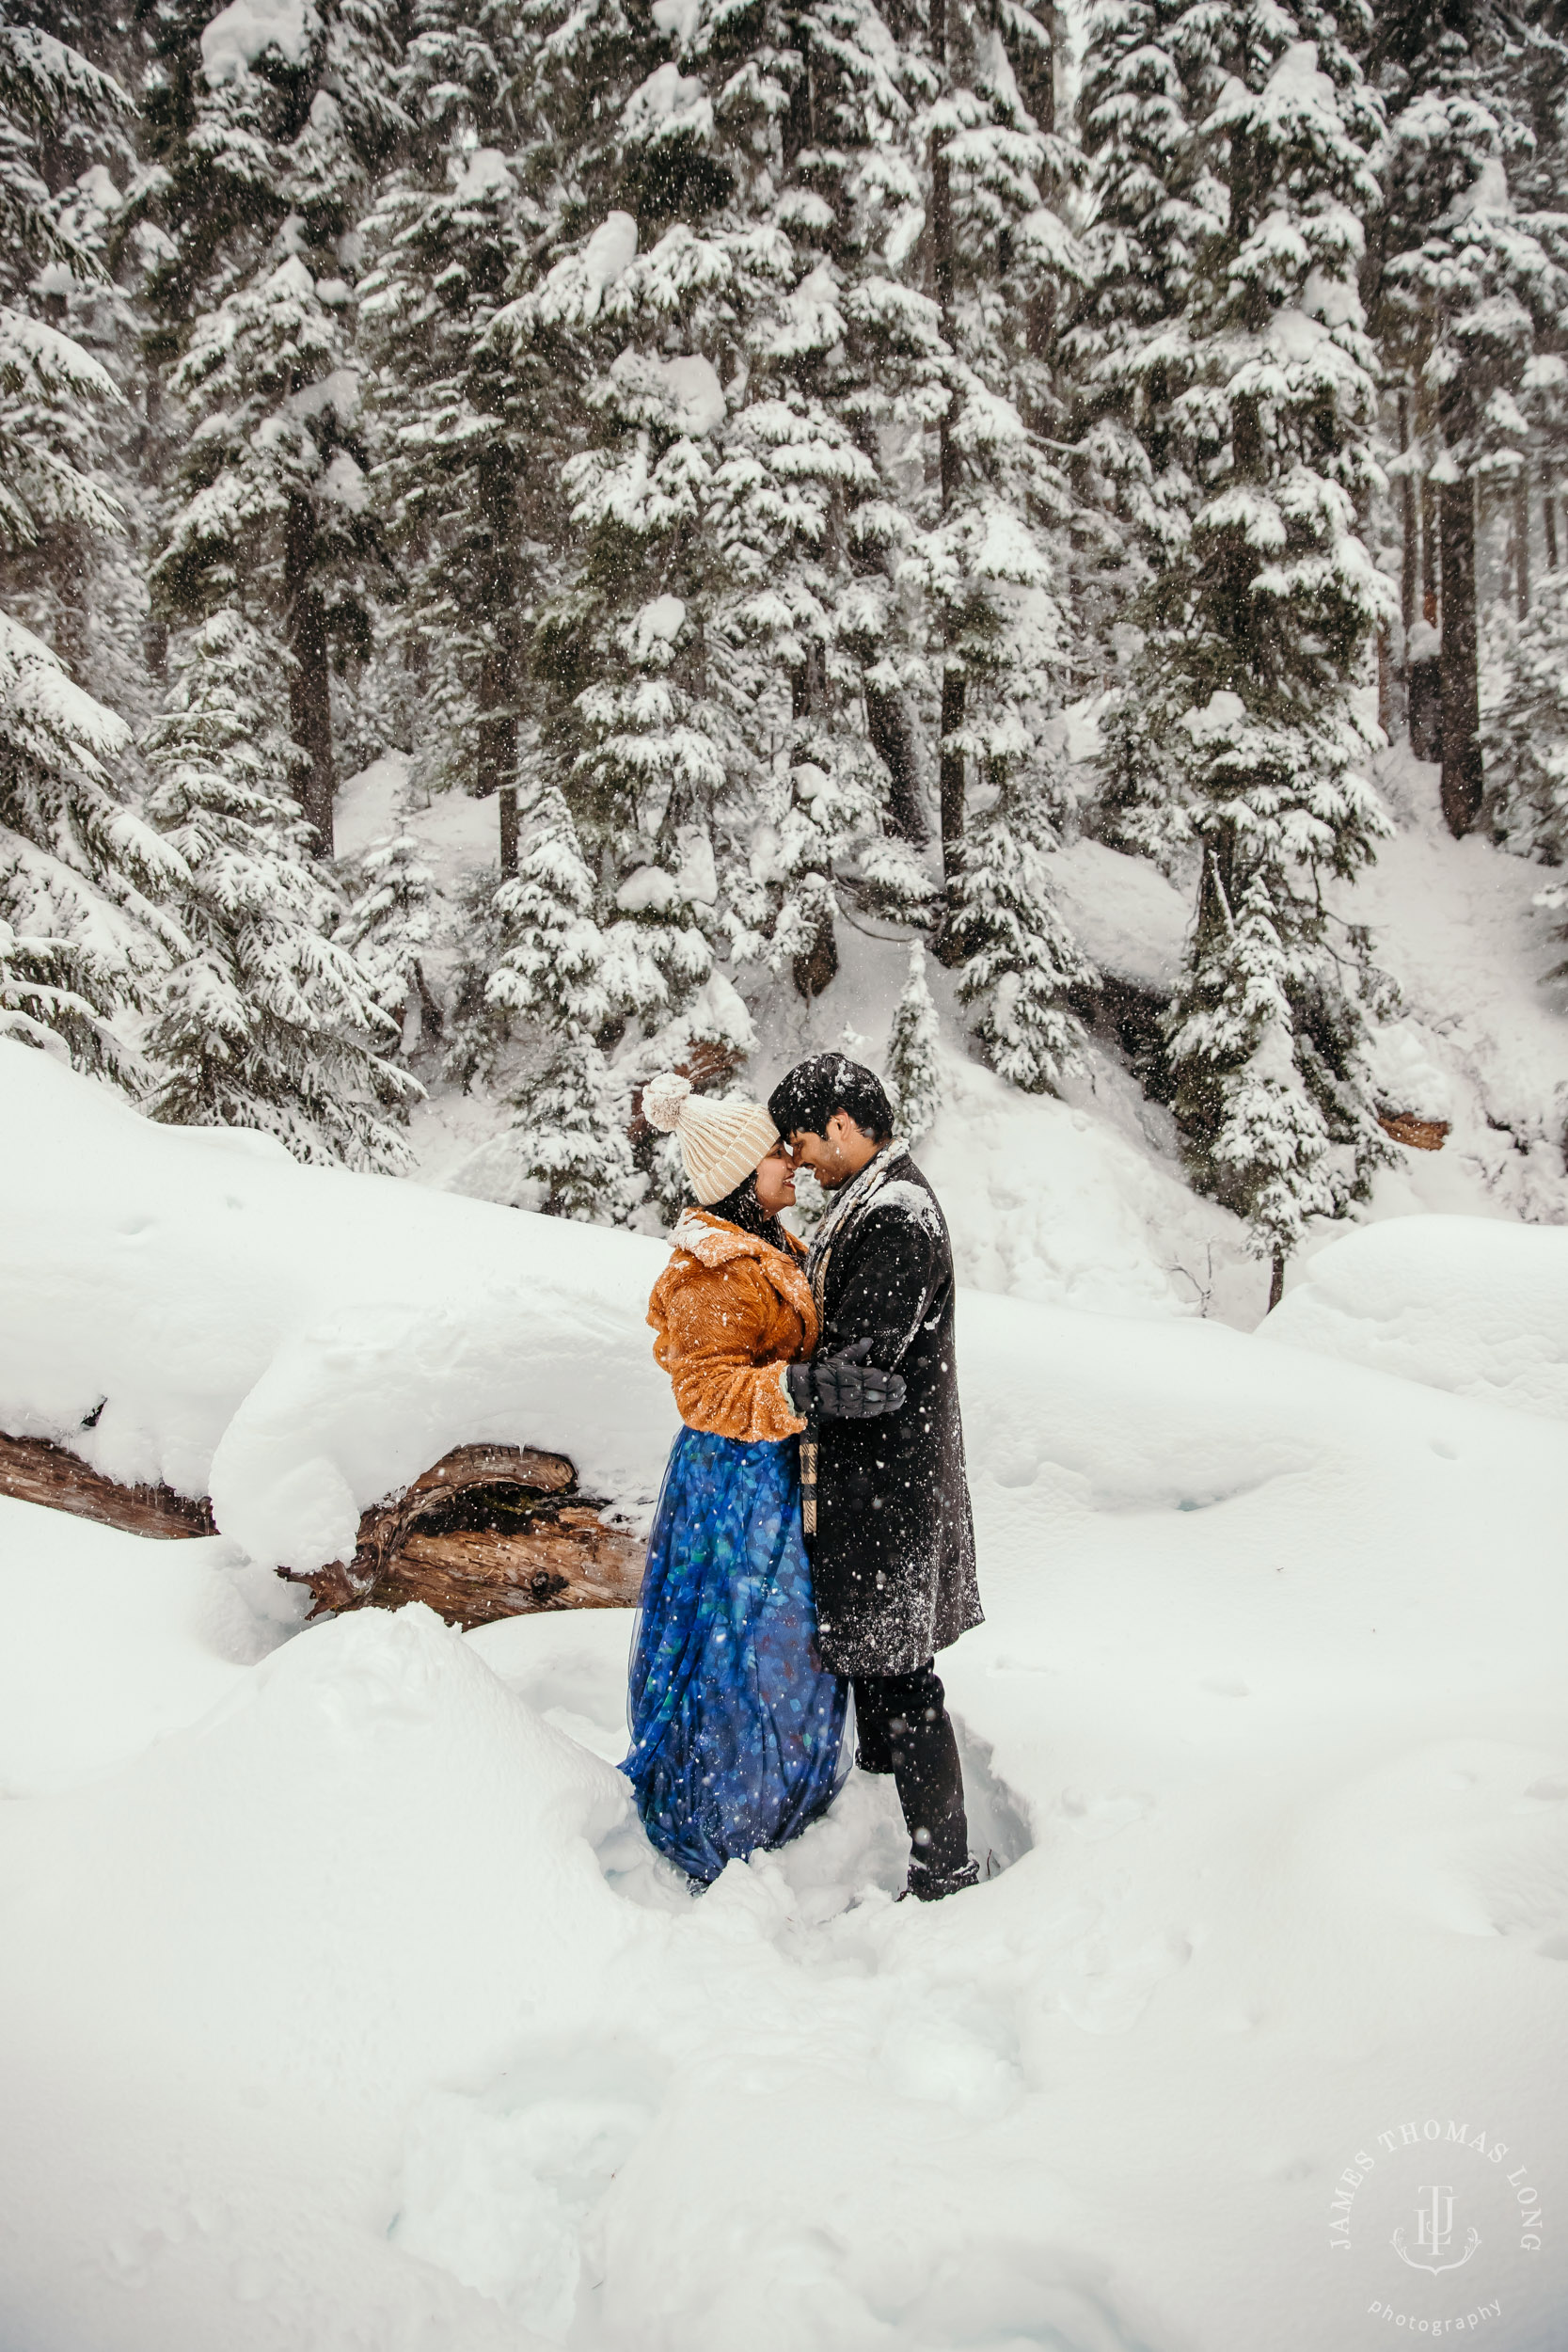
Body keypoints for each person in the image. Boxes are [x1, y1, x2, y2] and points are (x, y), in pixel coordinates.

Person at [625, 1069, 905, 1885]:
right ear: (740, 1176)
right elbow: (704, 1390)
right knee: (742, 1642)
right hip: (733, 1485)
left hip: (773, 1472)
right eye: (775, 1152)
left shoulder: (767, 1246)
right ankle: (726, 1808)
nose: (792, 1160)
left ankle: (781, 1794)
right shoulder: (711, 1269)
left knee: (778, 1639)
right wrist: (802, 1387)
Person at [767, 1053, 983, 1901]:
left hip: (887, 1487)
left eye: (805, 1140)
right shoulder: (867, 1200)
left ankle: (944, 1867)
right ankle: (875, 1781)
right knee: (877, 1655)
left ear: (846, 1129)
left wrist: (784, 1376)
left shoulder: (894, 1216)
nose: (802, 1158)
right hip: (873, 1482)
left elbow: (861, 1366)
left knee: (903, 1672)